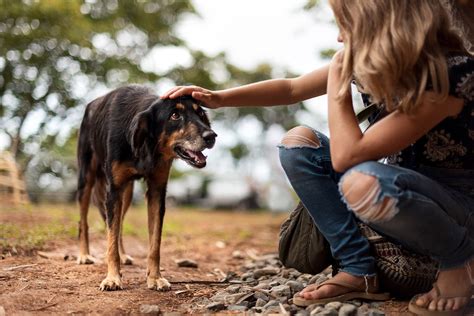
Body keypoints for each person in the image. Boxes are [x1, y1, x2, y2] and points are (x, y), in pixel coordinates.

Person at [162, 0, 473, 314]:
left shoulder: (452, 75)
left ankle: (457, 259)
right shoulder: (374, 65)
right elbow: (291, 88)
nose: (339, 39)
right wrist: (218, 99)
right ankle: (358, 269)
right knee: (298, 143)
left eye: (345, 26)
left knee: (361, 182)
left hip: (455, 201)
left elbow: (347, 156)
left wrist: (338, 90)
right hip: (397, 188)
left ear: (380, 25)